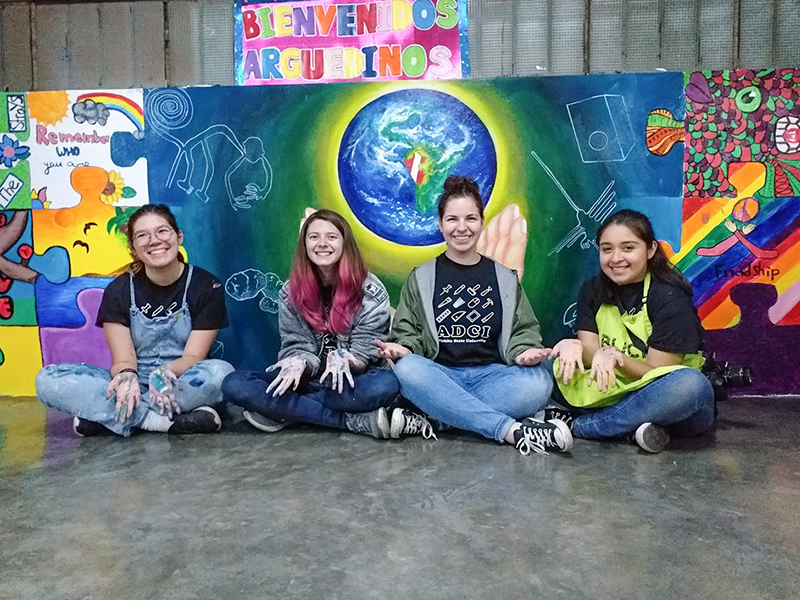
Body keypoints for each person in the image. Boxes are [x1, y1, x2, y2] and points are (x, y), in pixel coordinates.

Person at [377, 175, 577, 455]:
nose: (462, 228)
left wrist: (522, 353)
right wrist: (405, 347)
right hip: (440, 374)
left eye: (470, 218)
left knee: (539, 383)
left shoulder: (505, 278)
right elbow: (408, 333)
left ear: (481, 222)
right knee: (408, 370)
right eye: (452, 220)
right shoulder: (421, 277)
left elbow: (524, 331)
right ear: (440, 224)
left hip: (493, 376)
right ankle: (512, 431)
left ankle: (441, 415)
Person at [222, 209, 429, 440]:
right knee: (235, 384)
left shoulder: (370, 291)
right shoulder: (290, 291)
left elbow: (366, 353)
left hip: (352, 384)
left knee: (385, 385)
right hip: (308, 383)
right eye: (314, 237)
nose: (322, 243)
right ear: (305, 244)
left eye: (331, 237)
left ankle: (287, 411)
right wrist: (299, 361)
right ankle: (350, 421)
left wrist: (349, 360)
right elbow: (296, 344)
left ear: (344, 244)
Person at [35, 204, 234, 436]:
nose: (154, 240)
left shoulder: (207, 285)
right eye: (142, 236)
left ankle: (108, 418)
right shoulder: (118, 290)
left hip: (180, 379)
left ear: (178, 237)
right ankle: (159, 421)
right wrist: (126, 378)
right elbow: (123, 359)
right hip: (133, 380)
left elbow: (193, 356)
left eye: (162, 231)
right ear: (134, 248)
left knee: (222, 374)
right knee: (47, 379)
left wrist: (165, 372)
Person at [539, 209, 716, 453]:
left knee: (692, 385)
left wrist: (616, 358)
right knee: (543, 366)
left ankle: (585, 427)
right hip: (612, 391)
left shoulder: (669, 298)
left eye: (628, 248)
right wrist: (575, 347)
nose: (616, 258)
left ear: (651, 250)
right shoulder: (592, 289)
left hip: (660, 396)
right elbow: (590, 353)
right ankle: (634, 430)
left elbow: (657, 373)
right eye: (607, 249)